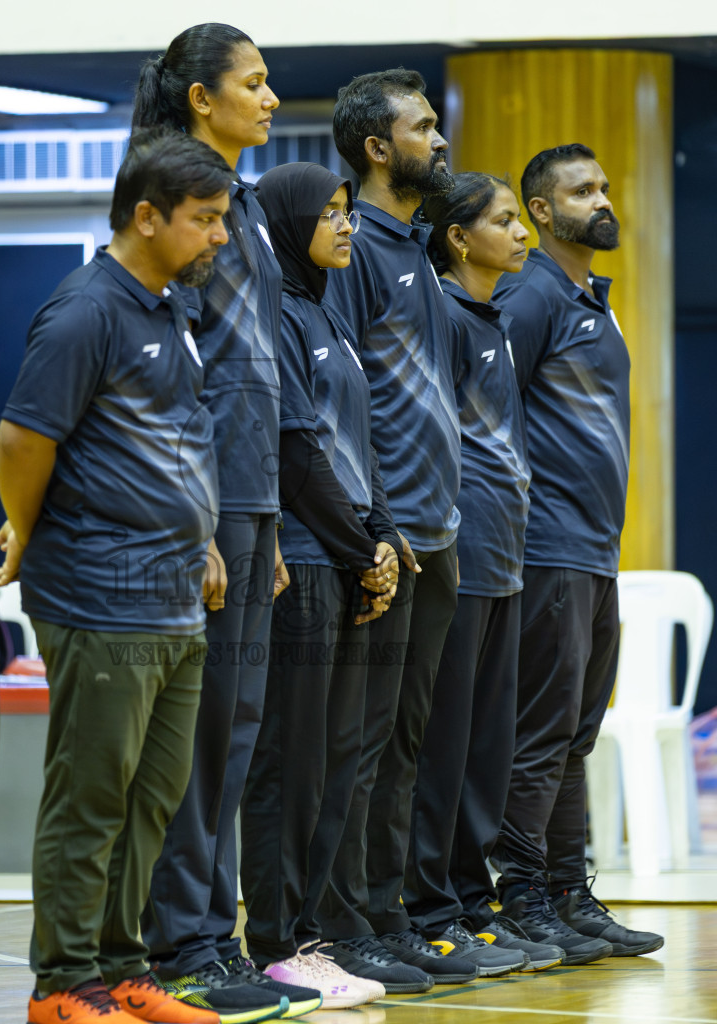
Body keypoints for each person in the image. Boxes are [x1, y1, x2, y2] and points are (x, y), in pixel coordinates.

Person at [0, 127, 235, 1024]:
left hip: (176, 593)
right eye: (204, 220)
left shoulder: (169, 307)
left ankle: (123, 968)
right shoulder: (86, 310)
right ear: (146, 216)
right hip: (99, 592)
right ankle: (63, 982)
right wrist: (26, 531)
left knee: (152, 799)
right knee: (92, 793)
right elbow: (25, 438)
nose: (219, 236)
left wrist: (202, 534)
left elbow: (171, 443)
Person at [129, 26, 309, 1019]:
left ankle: (215, 934)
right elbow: (174, 375)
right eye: (255, 82)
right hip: (199, 503)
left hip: (251, 498)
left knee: (235, 731)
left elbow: (260, 371)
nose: (272, 96)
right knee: (195, 738)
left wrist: (269, 518)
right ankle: (181, 943)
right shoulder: (173, 200)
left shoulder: (240, 204)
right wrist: (197, 517)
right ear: (203, 99)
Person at [315, 68, 475, 989]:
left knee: (404, 742)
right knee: (361, 743)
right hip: (387, 539)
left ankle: (392, 911)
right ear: (378, 147)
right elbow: (340, 400)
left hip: (438, 532)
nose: (439, 140)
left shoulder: (415, 249)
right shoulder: (358, 248)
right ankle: (345, 923)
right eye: (422, 127)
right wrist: (371, 525)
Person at [488, 143, 663, 960]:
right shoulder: (530, 299)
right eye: (580, 191)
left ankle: (568, 892)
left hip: (595, 552)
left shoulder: (591, 299)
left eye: (603, 185)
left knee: (578, 732)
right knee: (543, 730)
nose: (601, 199)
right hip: (546, 546)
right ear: (542, 212)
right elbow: (485, 411)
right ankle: (521, 895)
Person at [239, 161, 401, 1009]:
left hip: (341, 556)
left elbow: (354, 447)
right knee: (288, 767)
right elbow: (297, 454)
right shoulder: (275, 318)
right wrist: (356, 546)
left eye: (350, 210)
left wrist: (376, 539)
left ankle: (311, 938)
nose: (347, 225)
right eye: (331, 213)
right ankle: (274, 941)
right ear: (288, 219)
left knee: (336, 762)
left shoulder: (326, 315)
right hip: (300, 563)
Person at [401, 173, 566, 973]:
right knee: (446, 748)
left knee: (487, 752)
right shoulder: (442, 317)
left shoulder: (494, 319)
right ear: (459, 237)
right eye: (504, 221)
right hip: (458, 564)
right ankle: (431, 904)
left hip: (505, 563)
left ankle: (473, 899)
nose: (521, 233)